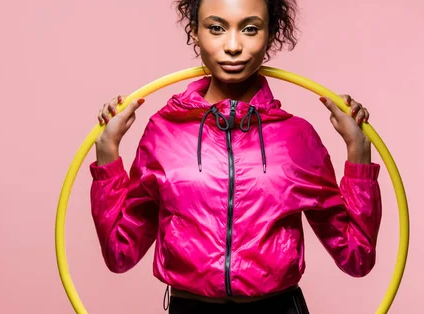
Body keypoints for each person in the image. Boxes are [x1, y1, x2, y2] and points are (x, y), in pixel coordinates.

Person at [89, 0, 382, 313]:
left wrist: (358, 154)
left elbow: (357, 256)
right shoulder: (163, 131)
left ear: (270, 35)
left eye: (250, 29)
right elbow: (120, 255)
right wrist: (108, 154)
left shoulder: (298, 137)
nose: (232, 46)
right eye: (216, 28)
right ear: (195, 33)